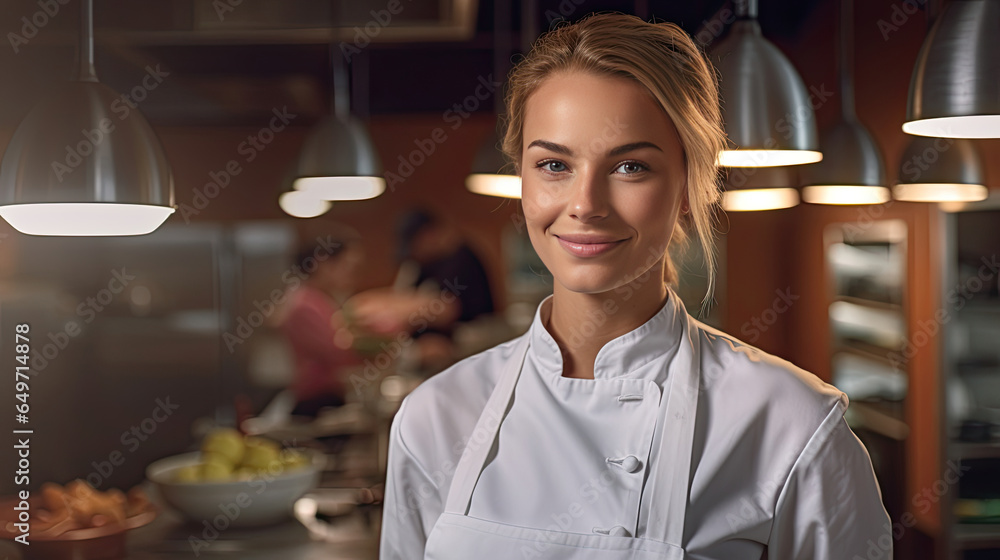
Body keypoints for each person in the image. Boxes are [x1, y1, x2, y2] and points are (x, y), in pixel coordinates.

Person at [379, 13, 892, 560]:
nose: (585, 205)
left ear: (690, 187)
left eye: (630, 167)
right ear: (522, 181)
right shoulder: (434, 416)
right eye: (554, 164)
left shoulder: (792, 425)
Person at [275, 228, 365, 417]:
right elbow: (341, 353)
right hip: (316, 401)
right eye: (347, 266)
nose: (351, 275)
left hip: (325, 397)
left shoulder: (318, 300)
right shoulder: (305, 305)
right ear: (321, 264)